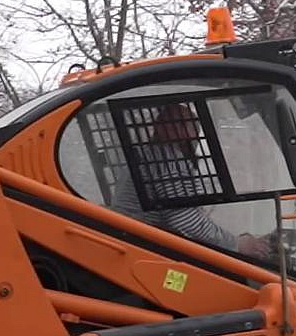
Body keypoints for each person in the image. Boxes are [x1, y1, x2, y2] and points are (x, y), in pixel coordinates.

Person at [111, 101, 275, 259]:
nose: (193, 130)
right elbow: (184, 219)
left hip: (135, 240)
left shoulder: (151, 154)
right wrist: (237, 244)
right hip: (144, 247)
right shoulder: (167, 159)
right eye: (184, 124)